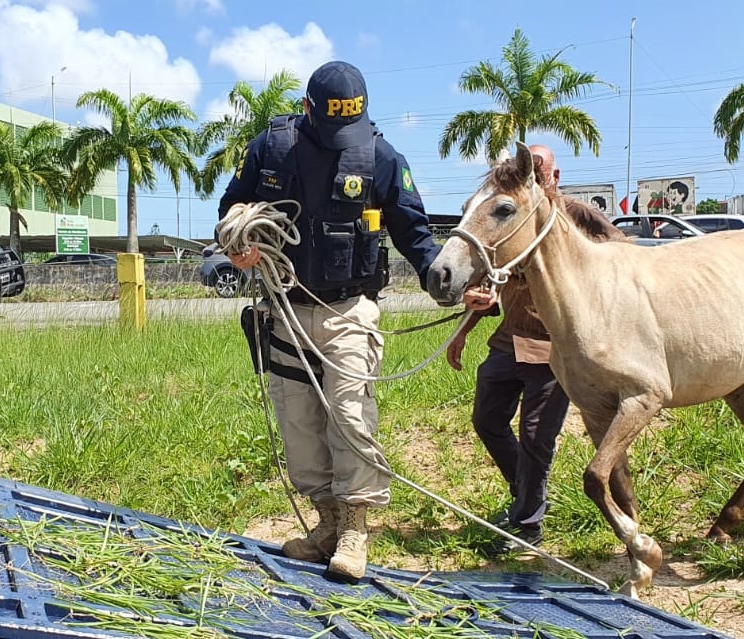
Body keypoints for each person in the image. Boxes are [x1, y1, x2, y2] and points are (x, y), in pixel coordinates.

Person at [218, 60, 441, 580]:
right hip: (286, 309)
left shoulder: (381, 156)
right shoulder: (269, 149)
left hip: (350, 308)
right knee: (297, 421)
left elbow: (415, 234)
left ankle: (355, 528)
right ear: (307, 109)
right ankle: (325, 523)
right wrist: (240, 244)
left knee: (349, 414)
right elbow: (230, 207)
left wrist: (443, 282)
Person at [450, 144, 624, 555]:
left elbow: (624, 259)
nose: (532, 178)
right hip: (509, 342)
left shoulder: (578, 217)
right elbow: (487, 282)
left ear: (554, 177)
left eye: (539, 171)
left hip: (555, 348)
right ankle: (525, 496)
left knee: (535, 437)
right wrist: (464, 328)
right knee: (487, 420)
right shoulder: (511, 216)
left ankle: (527, 526)